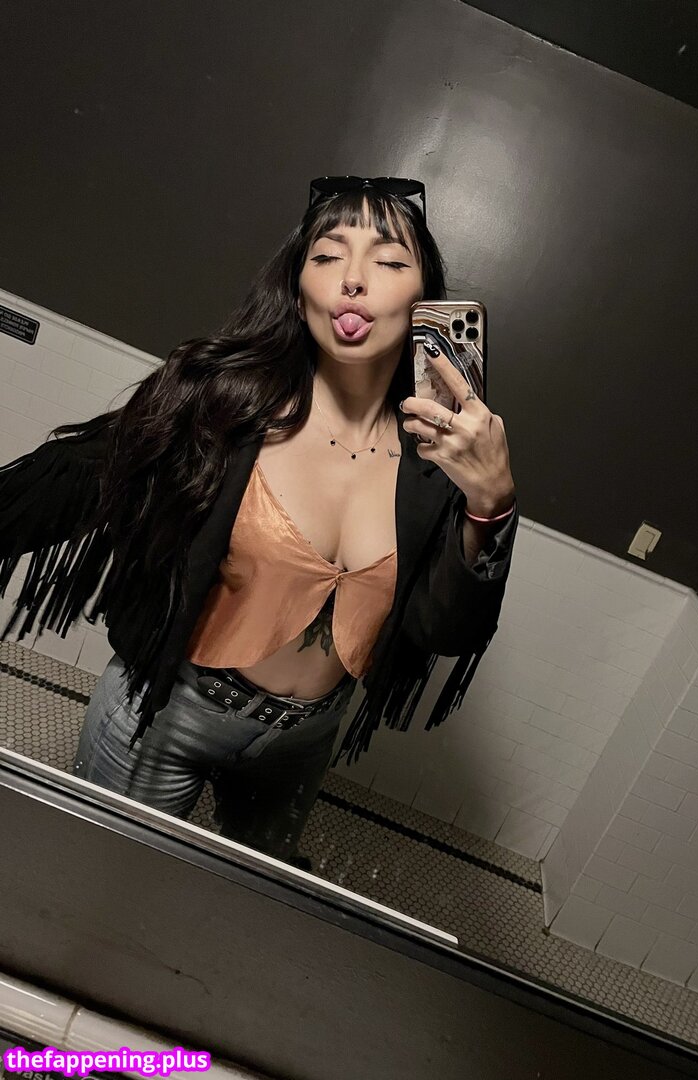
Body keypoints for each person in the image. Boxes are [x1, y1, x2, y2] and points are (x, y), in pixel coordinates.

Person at [0, 175, 519, 865]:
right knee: (101, 877)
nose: (353, 279)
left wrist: (492, 502)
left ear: (424, 301)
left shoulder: (438, 459)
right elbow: (78, 474)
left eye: (389, 261)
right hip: (167, 711)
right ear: (298, 287)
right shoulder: (224, 402)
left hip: (302, 741)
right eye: (327, 255)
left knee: (242, 907)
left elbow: (445, 629)